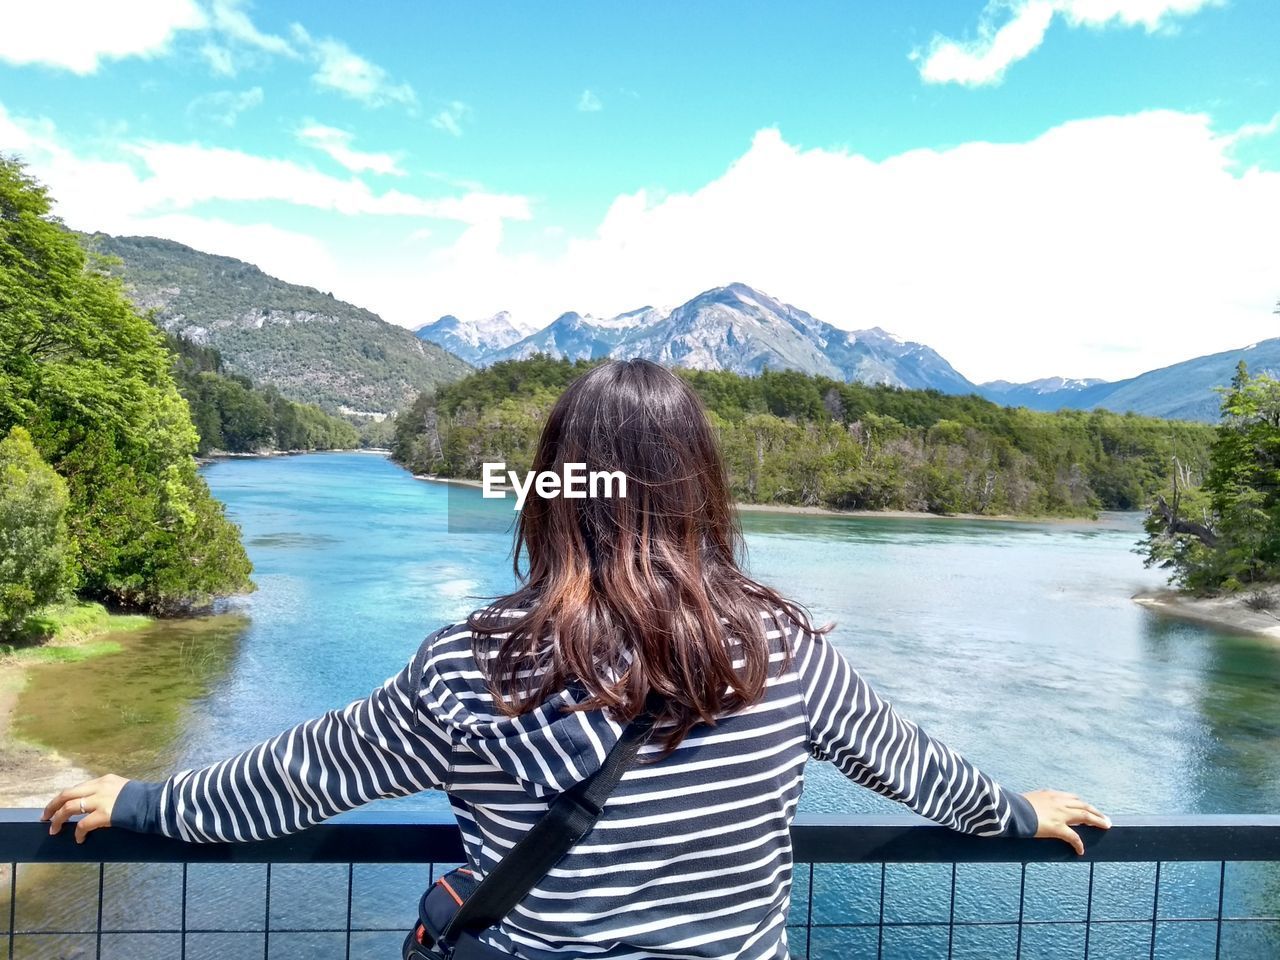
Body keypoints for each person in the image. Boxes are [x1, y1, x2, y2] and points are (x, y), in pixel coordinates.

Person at [42, 359, 1110, 960]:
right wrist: (1014, 815)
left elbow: (300, 779)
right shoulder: (777, 647)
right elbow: (903, 762)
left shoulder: (478, 663)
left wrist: (140, 804)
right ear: (700, 491)